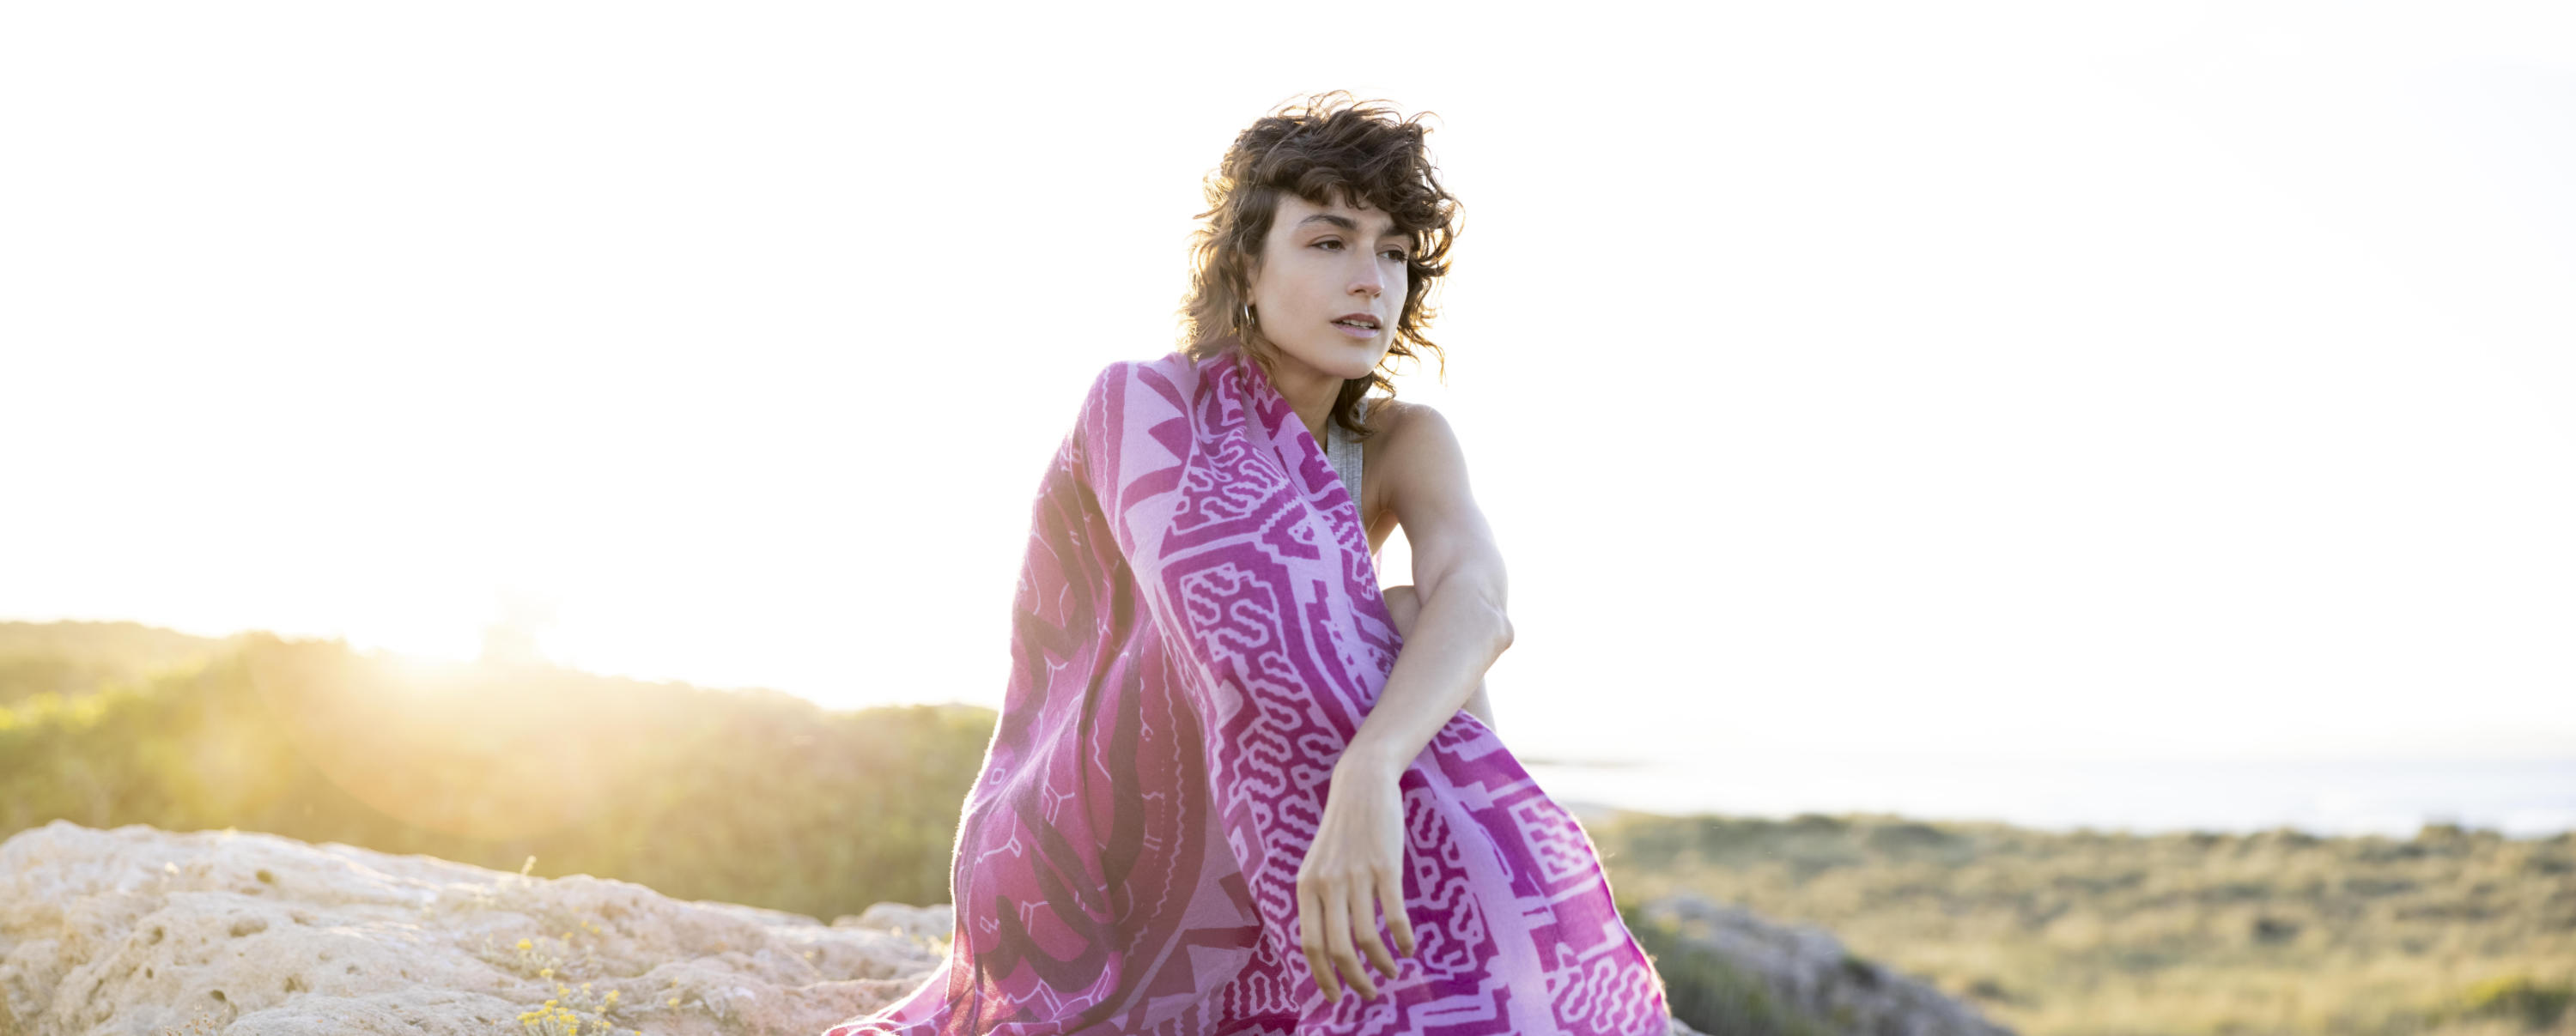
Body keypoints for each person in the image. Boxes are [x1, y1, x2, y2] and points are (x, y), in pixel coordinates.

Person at [825, 91, 1668, 1036]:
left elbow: (1479, 602)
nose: (1371, 281)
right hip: (1129, 829)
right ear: (1245, 268)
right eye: (1329, 242)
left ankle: (1446, 950)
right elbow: (1222, 625)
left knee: (1414, 614)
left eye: (1394, 252)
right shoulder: (1144, 408)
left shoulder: (1402, 439)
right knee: (1382, 621)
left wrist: (1373, 766)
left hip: (1326, 802)